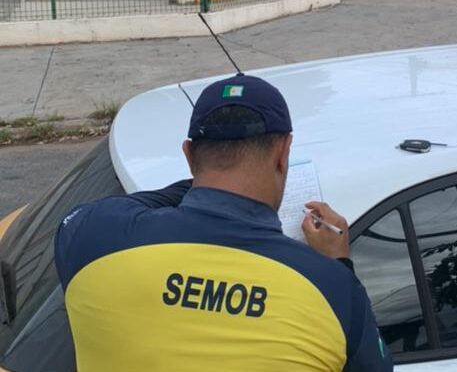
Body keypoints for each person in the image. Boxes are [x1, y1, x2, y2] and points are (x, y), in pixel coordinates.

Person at [54, 73, 392, 372]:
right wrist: (339, 263)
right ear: (284, 153)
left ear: (188, 155)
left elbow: (110, 208)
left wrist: (203, 182)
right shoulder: (333, 290)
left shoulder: (93, 238)